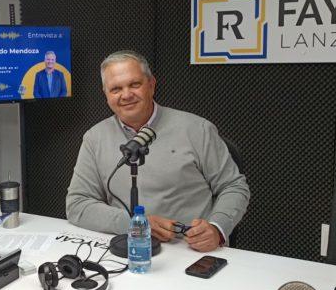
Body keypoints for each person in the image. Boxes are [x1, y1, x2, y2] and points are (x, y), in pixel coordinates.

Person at [66, 50, 250, 252]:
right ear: (106, 95)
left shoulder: (197, 129)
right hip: (129, 250)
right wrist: (134, 224)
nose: (126, 95)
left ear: (151, 85)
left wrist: (217, 228)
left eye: (134, 84)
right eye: (116, 89)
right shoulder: (95, 138)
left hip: (189, 251)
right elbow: (77, 205)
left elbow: (233, 186)